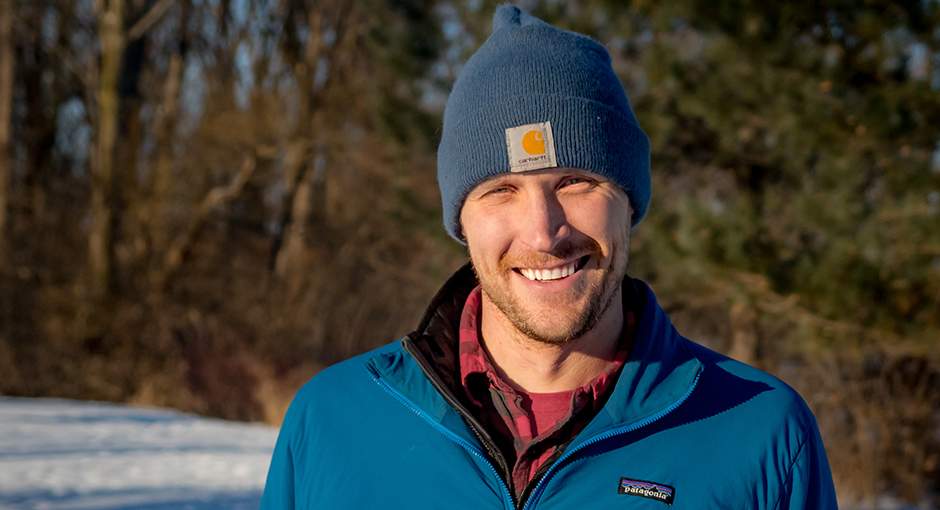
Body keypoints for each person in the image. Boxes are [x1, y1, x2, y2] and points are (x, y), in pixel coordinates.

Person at [259, 5, 838, 509]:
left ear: (629, 203)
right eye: (500, 190)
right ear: (460, 218)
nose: (543, 232)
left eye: (578, 182)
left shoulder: (760, 434)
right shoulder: (333, 422)